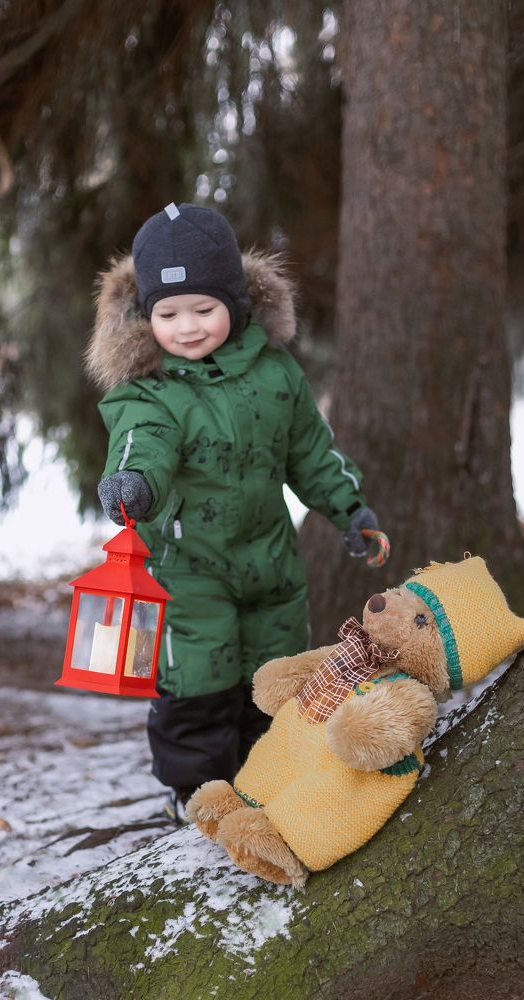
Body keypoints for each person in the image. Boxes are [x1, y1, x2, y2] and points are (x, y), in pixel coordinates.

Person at [86, 202, 379, 821]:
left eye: (203, 309)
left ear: (237, 302)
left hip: (271, 566)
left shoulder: (275, 374)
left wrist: (350, 510)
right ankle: (197, 797)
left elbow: (310, 452)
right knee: (196, 687)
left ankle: (267, 783)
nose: (187, 328)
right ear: (147, 316)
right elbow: (142, 442)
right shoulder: (150, 389)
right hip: (186, 572)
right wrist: (132, 482)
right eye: (168, 314)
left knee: (274, 683)